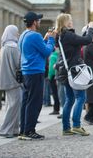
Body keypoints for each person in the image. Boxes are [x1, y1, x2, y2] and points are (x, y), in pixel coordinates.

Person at [55, 13, 93, 136]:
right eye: (69, 20)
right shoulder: (68, 35)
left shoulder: (61, 35)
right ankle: (76, 125)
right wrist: (91, 28)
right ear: (65, 22)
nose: (71, 21)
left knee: (69, 99)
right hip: (74, 71)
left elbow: (79, 41)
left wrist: (86, 31)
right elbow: (87, 40)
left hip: (65, 72)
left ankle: (66, 128)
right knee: (80, 97)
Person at [18, 12, 55, 140]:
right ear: (34, 22)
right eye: (38, 20)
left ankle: (23, 130)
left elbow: (33, 50)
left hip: (26, 72)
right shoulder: (35, 35)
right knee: (35, 103)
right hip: (35, 72)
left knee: (26, 102)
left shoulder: (23, 35)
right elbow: (46, 52)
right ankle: (30, 131)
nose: (40, 22)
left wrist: (44, 40)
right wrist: (51, 39)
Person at [0, 25, 21, 138]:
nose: (18, 34)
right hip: (14, 81)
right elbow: (18, 64)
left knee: (10, 105)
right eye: (16, 32)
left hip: (6, 80)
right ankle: (5, 130)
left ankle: (13, 129)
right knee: (14, 106)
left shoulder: (4, 47)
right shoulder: (14, 47)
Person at [47, 47, 60, 115]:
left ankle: (56, 109)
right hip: (57, 76)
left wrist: (49, 76)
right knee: (58, 93)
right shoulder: (58, 55)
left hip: (52, 77)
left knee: (54, 93)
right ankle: (57, 108)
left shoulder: (52, 56)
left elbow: (51, 69)